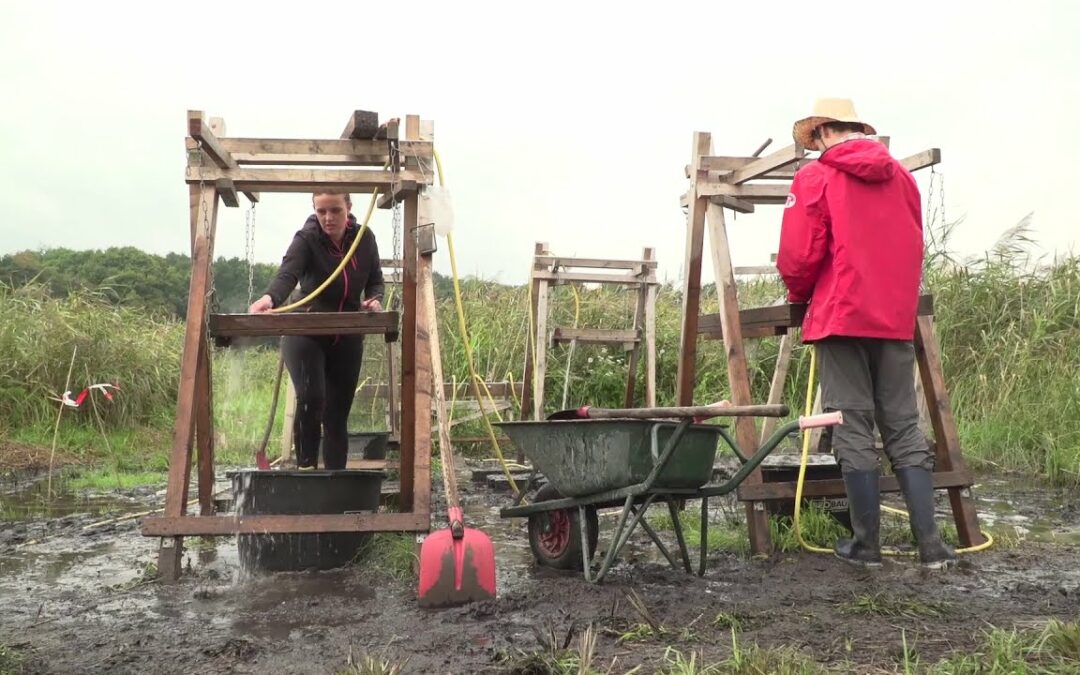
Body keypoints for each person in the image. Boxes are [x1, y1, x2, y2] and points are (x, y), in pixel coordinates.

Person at [776, 98, 956, 569]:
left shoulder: (816, 176)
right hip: (893, 317)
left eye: (815, 138)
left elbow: (799, 252)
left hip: (841, 314)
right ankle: (932, 545)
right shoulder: (901, 177)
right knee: (902, 423)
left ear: (824, 134)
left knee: (851, 424)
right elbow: (914, 242)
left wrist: (800, 292)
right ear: (859, 129)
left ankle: (866, 545)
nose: (815, 146)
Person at [249, 191, 384, 470]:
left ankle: (336, 480)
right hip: (306, 330)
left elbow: (375, 281)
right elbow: (288, 273)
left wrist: (374, 299)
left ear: (348, 207)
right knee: (312, 399)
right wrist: (270, 298)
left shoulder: (364, 238)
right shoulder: (307, 238)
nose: (328, 218)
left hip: (346, 332)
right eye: (321, 211)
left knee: (337, 413)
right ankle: (306, 471)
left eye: (335, 210)